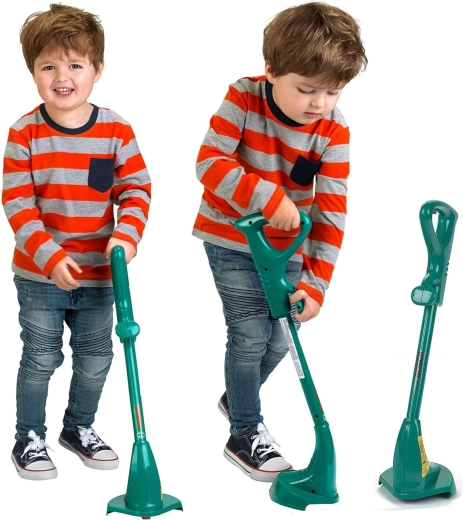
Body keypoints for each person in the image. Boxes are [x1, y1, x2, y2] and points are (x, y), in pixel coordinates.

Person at [192, 2, 367, 482]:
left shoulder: (334, 129)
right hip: (230, 238)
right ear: (270, 70)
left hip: (287, 249)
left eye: (332, 91)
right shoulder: (243, 97)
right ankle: (244, 432)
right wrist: (267, 198)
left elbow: (330, 211)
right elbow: (209, 162)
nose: (319, 103)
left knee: (282, 334)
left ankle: (238, 397)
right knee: (250, 333)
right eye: (306, 89)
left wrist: (316, 283)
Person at [3, 4, 151, 480]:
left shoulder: (115, 130)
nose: (62, 77)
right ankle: (29, 436)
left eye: (74, 64)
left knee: (96, 357)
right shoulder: (24, 133)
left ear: (97, 69)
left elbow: (136, 190)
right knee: (41, 355)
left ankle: (79, 427)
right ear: (33, 72)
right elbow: (17, 202)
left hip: (102, 274)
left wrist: (126, 237)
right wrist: (49, 257)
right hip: (40, 275)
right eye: (48, 66)